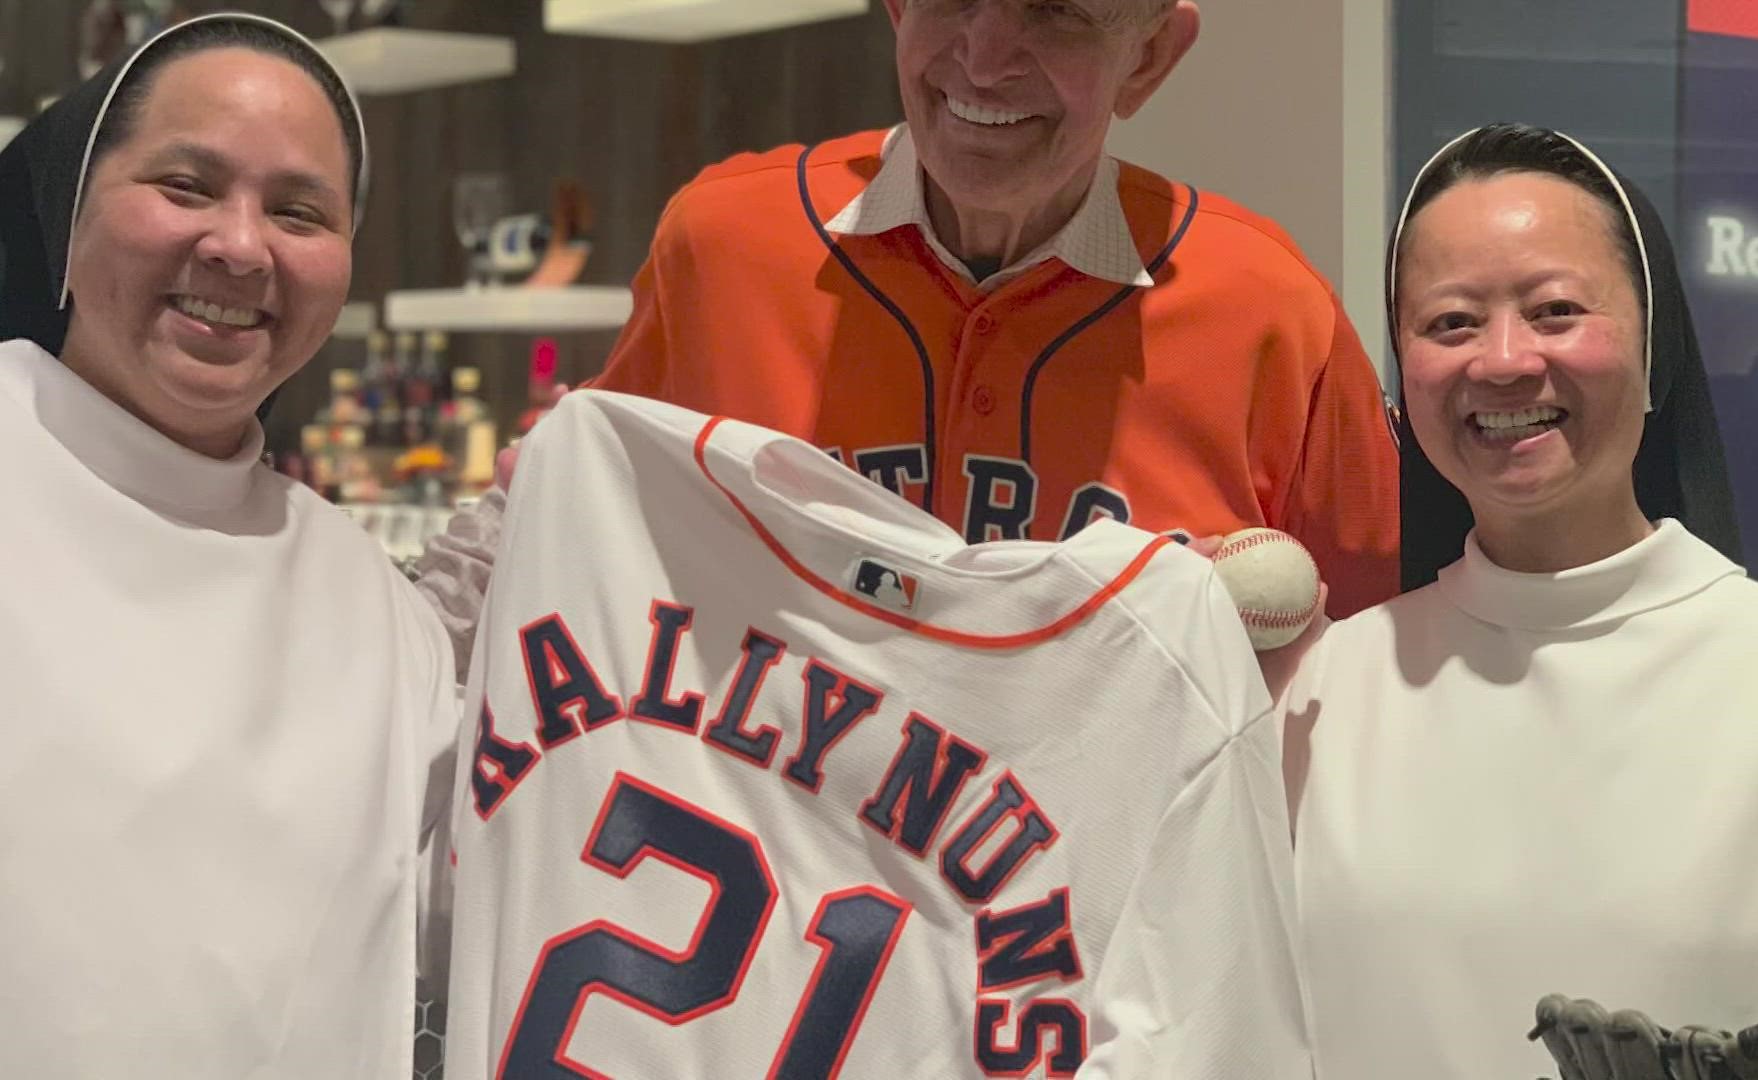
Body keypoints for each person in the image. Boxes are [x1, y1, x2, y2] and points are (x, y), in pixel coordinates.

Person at [416, 0, 1401, 671]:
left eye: (1055, 8)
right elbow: (565, 521)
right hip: (775, 935)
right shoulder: (723, 248)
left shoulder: (1273, 311)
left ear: (1147, 54)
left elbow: (1369, 679)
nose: (983, 57)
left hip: (1100, 955)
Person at [1275, 123, 1758, 1078]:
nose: (1502, 361)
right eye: (1450, 322)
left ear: (1653, 347)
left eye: (1555, 310)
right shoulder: (1318, 695)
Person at [0, 15, 458, 1078]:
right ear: (69, 207)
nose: (241, 246)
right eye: (187, 187)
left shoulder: (378, 614)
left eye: (299, 211)